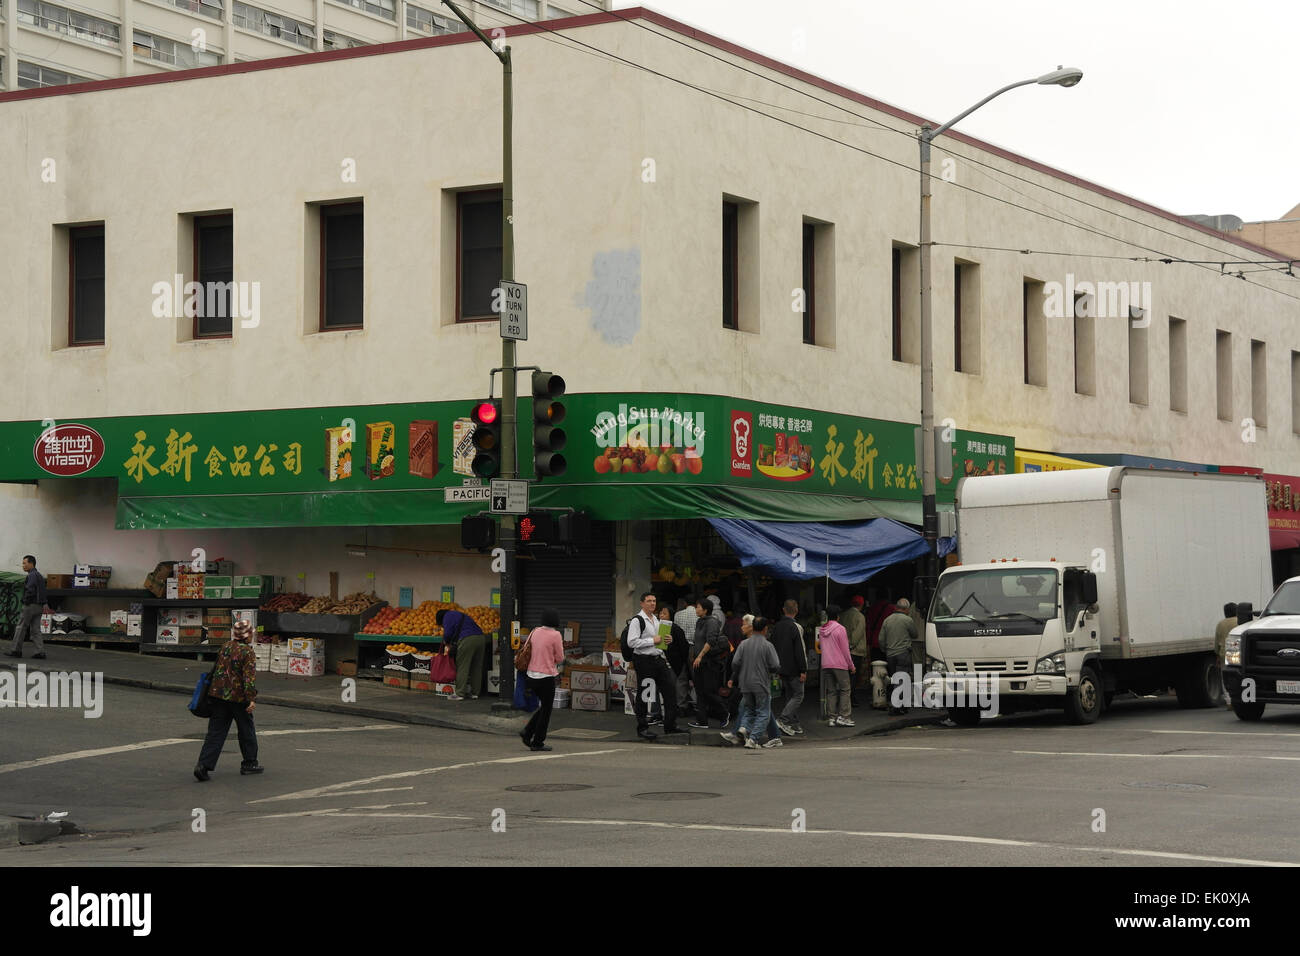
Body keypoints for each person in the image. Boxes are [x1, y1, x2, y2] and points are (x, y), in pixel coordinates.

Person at [194, 620, 262, 780]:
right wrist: (251, 698)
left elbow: (217, 669)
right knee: (246, 729)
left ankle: (203, 765)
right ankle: (249, 763)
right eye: (251, 633)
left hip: (218, 695)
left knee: (215, 732)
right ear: (247, 635)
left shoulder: (226, 646)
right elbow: (248, 678)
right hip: (238, 697)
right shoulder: (248, 652)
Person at [721, 617, 781, 749]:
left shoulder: (744, 644)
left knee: (749, 709)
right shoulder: (767, 645)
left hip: (745, 683)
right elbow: (776, 665)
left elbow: (735, 663)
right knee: (763, 712)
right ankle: (753, 739)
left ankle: (743, 728)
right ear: (765, 629)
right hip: (761, 683)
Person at [627, 591, 679, 739]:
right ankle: (642, 728)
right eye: (649, 601)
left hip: (658, 659)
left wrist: (666, 640)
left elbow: (659, 640)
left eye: (654, 601)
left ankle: (670, 726)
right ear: (642, 603)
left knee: (670, 691)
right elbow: (631, 642)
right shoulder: (638, 620)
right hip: (644, 662)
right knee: (645, 695)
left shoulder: (656, 619)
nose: (652, 603)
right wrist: (652, 641)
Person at [520, 608, 567, 752]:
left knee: (544, 707)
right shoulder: (556, 635)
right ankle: (538, 742)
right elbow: (560, 658)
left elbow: (526, 648)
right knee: (546, 709)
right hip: (546, 677)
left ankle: (527, 732)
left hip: (530, 675)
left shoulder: (534, 631)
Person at [688, 598, 730, 728]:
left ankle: (724, 713)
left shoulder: (712, 622)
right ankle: (702, 721)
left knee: (709, 691)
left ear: (705, 610)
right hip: (698, 662)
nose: (696, 609)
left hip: (709, 662)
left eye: (698, 607)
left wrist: (700, 656)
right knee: (700, 691)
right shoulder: (700, 621)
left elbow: (710, 641)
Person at [770, 599, 807, 736]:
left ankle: (794, 724)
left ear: (783, 610)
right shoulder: (796, 627)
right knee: (798, 695)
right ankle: (783, 719)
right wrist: (803, 669)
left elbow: (772, 646)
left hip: (781, 667)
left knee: (789, 695)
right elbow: (800, 650)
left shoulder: (777, 627)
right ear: (796, 610)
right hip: (794, 668)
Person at [436, 607, 487, 701]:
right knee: (476, 667)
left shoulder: (447, 617)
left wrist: (446, 642)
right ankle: (475, 693)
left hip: (467, 639)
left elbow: (447, 634)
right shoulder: (458, 614)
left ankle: (459, 693)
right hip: (481, 638)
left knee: (463, 666)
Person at [880, 598, 918, 715]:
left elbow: (881, 639)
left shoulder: (887, 620)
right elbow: (915, 634)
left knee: (895, 679)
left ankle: (902, 705)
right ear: (906, 609)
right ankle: (897, 706)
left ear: (896, 607)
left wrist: (885, 650)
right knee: (902, 680)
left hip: (890, 654)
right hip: (903, 653)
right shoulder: (908, 620)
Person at [819, 605, 855, 726]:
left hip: (826, 664)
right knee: (845, 689)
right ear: (838, 616)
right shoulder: (840, 629)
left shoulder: (822, 630)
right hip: (839, 664)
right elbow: (845, 650)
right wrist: (851, 665)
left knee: (831, 691)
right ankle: (844, 716)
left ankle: (832, 718)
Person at [7, 555, 46, 660]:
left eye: (25, 563)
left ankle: (16, 650)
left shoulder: (32, 575)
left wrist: (25, 601)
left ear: (31, 563)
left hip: (30, 605)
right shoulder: (40, 576)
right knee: (35, 630)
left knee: (21, 627)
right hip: (39, 606)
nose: (23, 565)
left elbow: (30, 590)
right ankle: (40, 651)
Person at [661, 605, 693, 713]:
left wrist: (682, 660)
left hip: (677, 661)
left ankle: (682, 707)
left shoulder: (676, 629)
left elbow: (684, 646)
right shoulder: (658, 627)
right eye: (660, 613)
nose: (661, 615)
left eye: (664, 613)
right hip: (665, 661)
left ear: (671, 616)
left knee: (680, 684)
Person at [841, 596, 868, 706]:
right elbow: (858, 634)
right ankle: (851, 699)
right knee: (853, 676)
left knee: (845, 676)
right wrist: (851, 646)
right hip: (855, 651)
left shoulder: (843, 615)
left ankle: (845, 697)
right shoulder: (860, 617)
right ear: (861, 604)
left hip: (843, 649)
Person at [1215, 602, 1238, 706]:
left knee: (1225, 678)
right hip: (1237, 652)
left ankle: (1229, 701)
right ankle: (1242, 697)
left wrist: (1217, 654)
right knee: (1238, 675)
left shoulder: (1220, 624)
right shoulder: (1240, 621)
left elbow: (1217, 642)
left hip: (1224, 653)